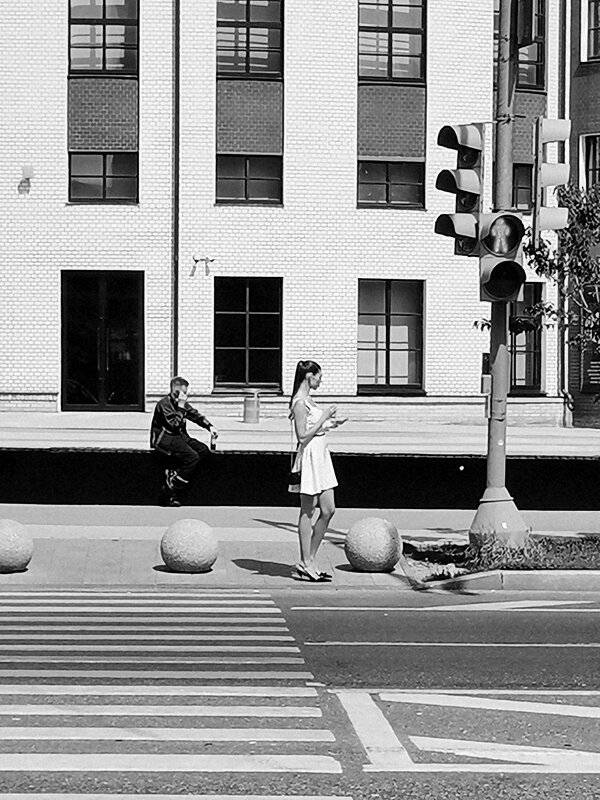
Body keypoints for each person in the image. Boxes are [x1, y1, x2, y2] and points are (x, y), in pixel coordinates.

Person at [288, 360, 347, 582]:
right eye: (319, 376)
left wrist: (331, 424)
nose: (321, 380)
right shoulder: (299, 402)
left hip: (321, 453)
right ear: (309, 376)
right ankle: (306, 562)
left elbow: (315, 428)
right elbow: (302, 436)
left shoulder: (309, 400)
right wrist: (324, 418)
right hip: (310, 455)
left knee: (329, 509)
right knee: (307, 509)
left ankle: (310, 559)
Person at [150, 376, 219, 507]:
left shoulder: (182, 404)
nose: (185, 396)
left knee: (203, 450)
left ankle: (180, 476)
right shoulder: (164, 404)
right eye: (183, 393)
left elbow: (194, 414)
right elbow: (174, 425)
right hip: (165, 438)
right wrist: (181, 407)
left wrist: (209, 426)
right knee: (192, 457)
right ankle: (171, 485)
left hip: (179, 436)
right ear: (175, 392)